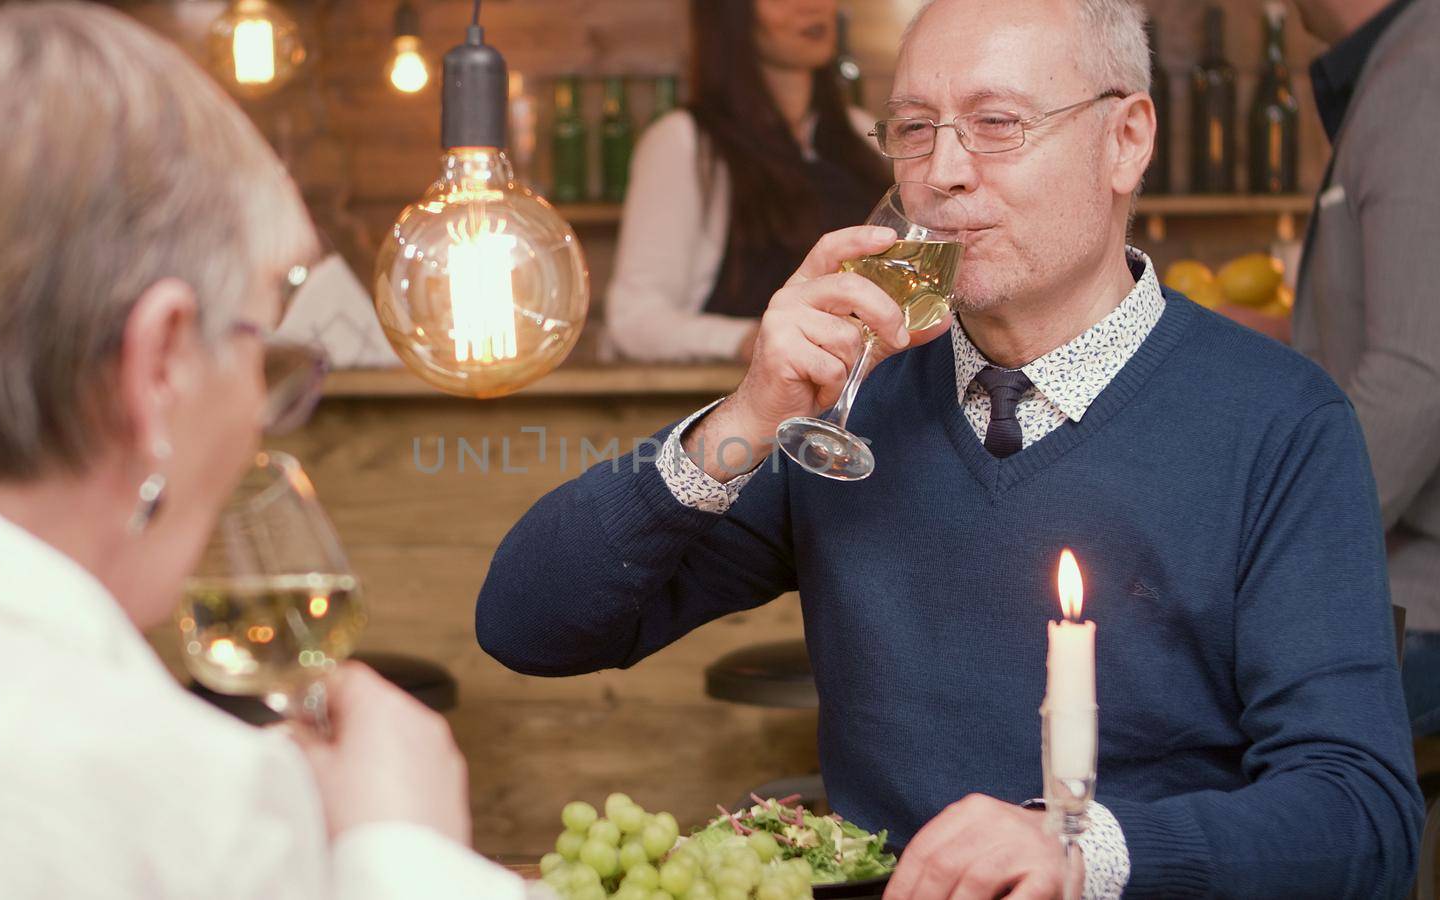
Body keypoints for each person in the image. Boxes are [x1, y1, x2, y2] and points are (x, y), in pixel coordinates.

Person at [478, 0, 1424, 896]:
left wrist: (1086, 857)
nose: (943, 172)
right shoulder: (854, 410)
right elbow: (529, 625)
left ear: (1125, 141)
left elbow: (1361, 822)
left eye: (998, 124)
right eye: (914, 128)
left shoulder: (1281, 423)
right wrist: (744, 415)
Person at [0, 2, 532, 898]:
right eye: (261, 346)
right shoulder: (181, 804)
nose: (261, 412)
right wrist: (407, 853)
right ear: (160, 360)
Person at [1286, 0, 1440, 740]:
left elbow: (1417, 381)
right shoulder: (1401, 58)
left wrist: (1265, 549)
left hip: (1416, 614)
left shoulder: (1427, 70)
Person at [603, 0, 890, 363]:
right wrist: (754, 337)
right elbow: (634, 321)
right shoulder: (685, 143)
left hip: (864, 394)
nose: (814, 6)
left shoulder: (859, 132)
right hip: (743, 399)